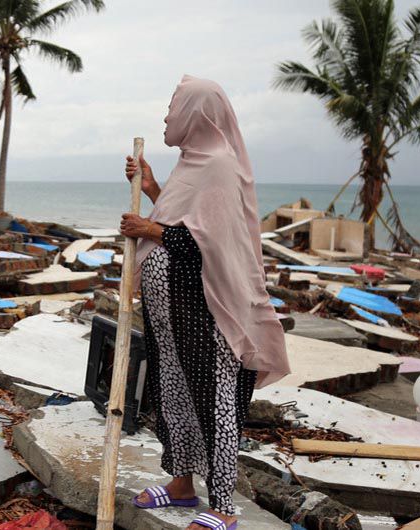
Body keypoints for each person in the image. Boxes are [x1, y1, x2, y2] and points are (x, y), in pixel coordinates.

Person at [119, 75, 291, 530]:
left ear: (196, 113)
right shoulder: (192, 164)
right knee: (172, 391)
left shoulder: (218, 165)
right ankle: (181, 484)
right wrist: (155, 191)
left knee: (215, 398)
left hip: (206, 310)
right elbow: (187, 220)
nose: (166, 116)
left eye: (173, 106)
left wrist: (148, 229)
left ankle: (224, 508)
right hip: (169, 312)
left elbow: (210, 244)